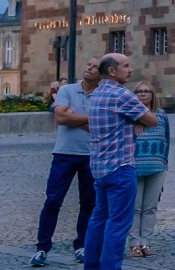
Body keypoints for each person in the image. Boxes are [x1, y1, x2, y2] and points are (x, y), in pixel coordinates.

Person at [82, 53, 159, 270]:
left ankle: (92, 265)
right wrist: (134, 118)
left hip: (99, 169)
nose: (131, 70)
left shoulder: (96, 94)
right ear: (112, 71)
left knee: (98, 220)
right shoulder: (121, 96)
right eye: (126, 66)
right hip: (120, 167)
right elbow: (151, 119)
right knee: (118, 224)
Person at [31, 58, 100, 267]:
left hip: (91, 154)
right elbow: (60, 118)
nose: (88, 67)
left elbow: (103, 121)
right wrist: (90, 119)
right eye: (88, 64)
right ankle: (42, 248)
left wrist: (74, 116)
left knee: (88, 203)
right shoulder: (67, 90)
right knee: (52, 201)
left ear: (103, 72)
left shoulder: (103, 94)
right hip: (64, 153)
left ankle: (82, 245)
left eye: (94, 66)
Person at [128, 81, 169, 258]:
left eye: (147, 91)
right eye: (139, 92)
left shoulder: (161, 115)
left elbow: (167, 140)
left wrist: (165, 162)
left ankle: (146, 241)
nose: (143, 94)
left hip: (157, 166)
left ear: (152, 95)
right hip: (134, 166)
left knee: (150, 207)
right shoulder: (129, 115)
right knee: (135, 207)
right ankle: (134, 243)